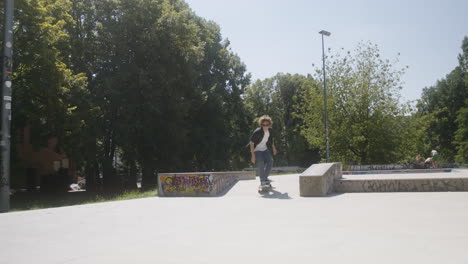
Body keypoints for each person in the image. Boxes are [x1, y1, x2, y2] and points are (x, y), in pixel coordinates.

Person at [250, 115, 278, 188]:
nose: (265, 126)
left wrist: (274, 148)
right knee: (261, 162)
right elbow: (251, 143)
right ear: (261, 125)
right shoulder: (257, 132)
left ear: (269, 125)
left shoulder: (270, 130)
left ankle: (265, 178)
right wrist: (253, 155)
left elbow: (271, 140)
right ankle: (263, 181)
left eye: (267, 125)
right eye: (263, 125)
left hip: (265, 149)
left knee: (270, 161)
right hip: (257, 150)